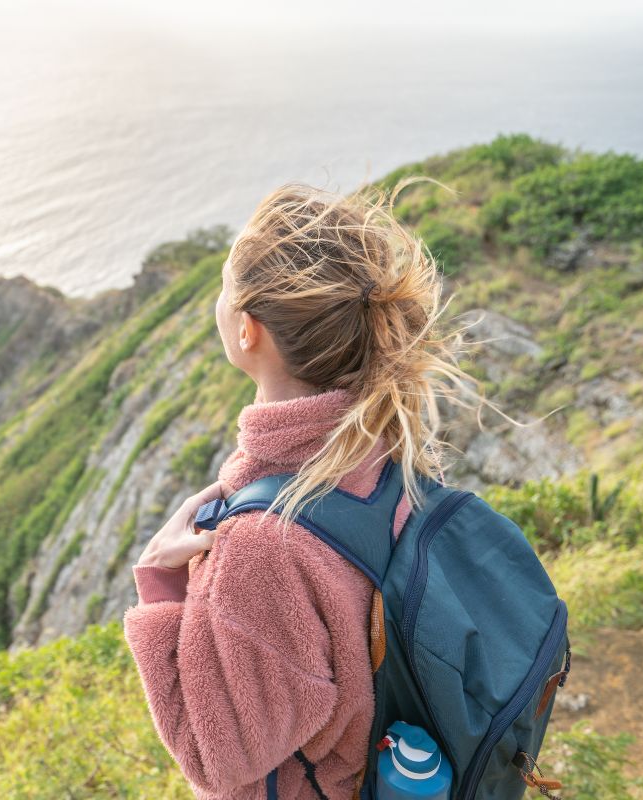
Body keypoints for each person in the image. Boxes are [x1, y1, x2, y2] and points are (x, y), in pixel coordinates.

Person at [122, 179, 518, 799]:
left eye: (225, 289)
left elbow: (215, 758)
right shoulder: (390, 446)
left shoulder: (263, 548)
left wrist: (160, 580)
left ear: (248, 330)